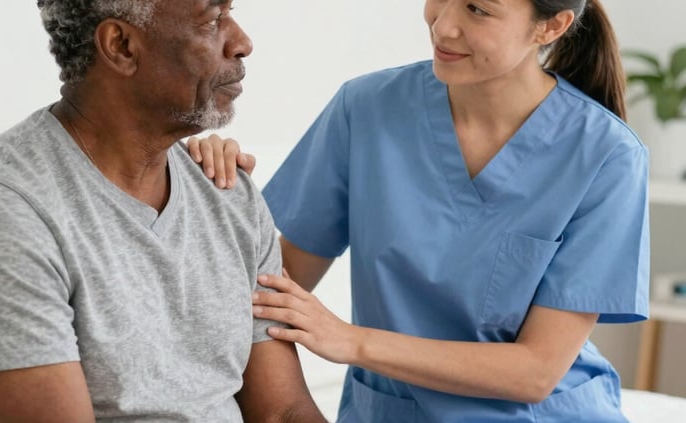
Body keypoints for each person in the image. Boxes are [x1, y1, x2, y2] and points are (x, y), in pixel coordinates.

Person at [189, 0, 649, 421]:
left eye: (477, 9)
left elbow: (536, 372)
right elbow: (270, 288)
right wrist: (211, 191)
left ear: (550, 27)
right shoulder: (366, 109)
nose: (444, 25)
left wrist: (351, 340)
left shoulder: (606, 156)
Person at [0, 1, 328, 422]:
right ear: (122, 46)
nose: (242, 43)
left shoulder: (228, 192)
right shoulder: (0, 210)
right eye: (211, 19)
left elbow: (284, 411)